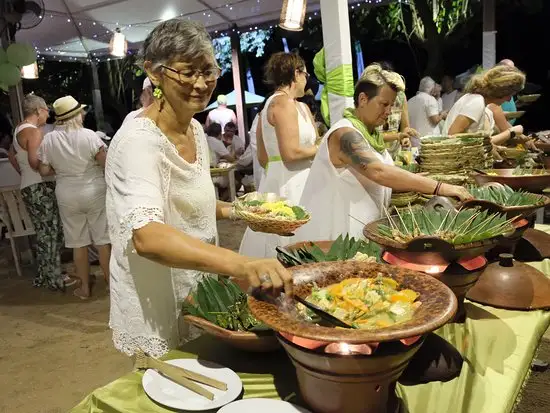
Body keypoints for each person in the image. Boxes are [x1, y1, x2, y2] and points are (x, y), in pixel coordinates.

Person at [104, 19, 291, 357]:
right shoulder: (138, 142)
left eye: (208, 71)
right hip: (157, 298)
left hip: (199, 287)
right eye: (187, 72)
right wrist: (241, 264)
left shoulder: (194, 129)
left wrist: (240, 211)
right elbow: (146, 236)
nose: (201, 83)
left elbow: (190, 203)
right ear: (154, 72)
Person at [294, 64, 471, 242]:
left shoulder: (373, 134)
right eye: (383, 104)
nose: (388, 112)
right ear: (363, 99)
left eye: (392, 105)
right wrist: (441, 187)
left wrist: (416, 179)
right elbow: (378, 172)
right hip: (334, 236)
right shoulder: (344, 134)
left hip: (362, 232)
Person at [239, 52, 318, 258]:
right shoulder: (283, 104)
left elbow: (263, 156)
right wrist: (321, 149)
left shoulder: (293, 105)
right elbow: (290, 153)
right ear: (296, 73)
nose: (306, 80)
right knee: (288, 235)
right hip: (291, 181)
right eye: (305, 75)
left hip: (281, 176)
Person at [37, 95, 111, 300]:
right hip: (94, 190)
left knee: (78, 243)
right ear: (76, 115)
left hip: (66, 193)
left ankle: (85, 289)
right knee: (103, 241)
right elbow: (105, 163)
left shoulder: (49, 139)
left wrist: (60, 167)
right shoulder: (89, 135)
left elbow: (43, 170)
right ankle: (111, 286)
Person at [7, 94, 65, 290]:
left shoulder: (18, 129)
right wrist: (58, 169)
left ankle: (46, 274)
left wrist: (24, 172)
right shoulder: (33, 132)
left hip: (28, 185)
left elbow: (12, 155)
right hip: (40, 185)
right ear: (39, 110)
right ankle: (54, 277)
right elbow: (35, 163)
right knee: (51, 231)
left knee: (43, 232)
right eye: (46, 110)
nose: (48, 114)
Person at [443, 65, 526, 146]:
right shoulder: (477, 101)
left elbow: (479, 141)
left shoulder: (480, 102)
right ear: (500, 91)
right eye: (509, 95)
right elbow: (452, 136)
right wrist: (510, 133)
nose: (508, 100)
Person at [372, 62, 417, 158]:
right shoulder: (373, 99)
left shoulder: (400, 96)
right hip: (376, 154)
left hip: (394, 156)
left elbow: (405, 127)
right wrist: (398, 136)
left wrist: (405, 138)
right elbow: (371, 136)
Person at [407, 76, 448, 142]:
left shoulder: (410, 101)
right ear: (432, 88)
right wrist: (442, 115)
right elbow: (435, 120)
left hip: (413, 140)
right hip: (429, 141)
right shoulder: (430, 99)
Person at [497, 59, 518, 125]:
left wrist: (517, 103)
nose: (513, 72)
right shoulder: (497, 85)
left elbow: (506, 102)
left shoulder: (509, 84)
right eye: (510, 70)